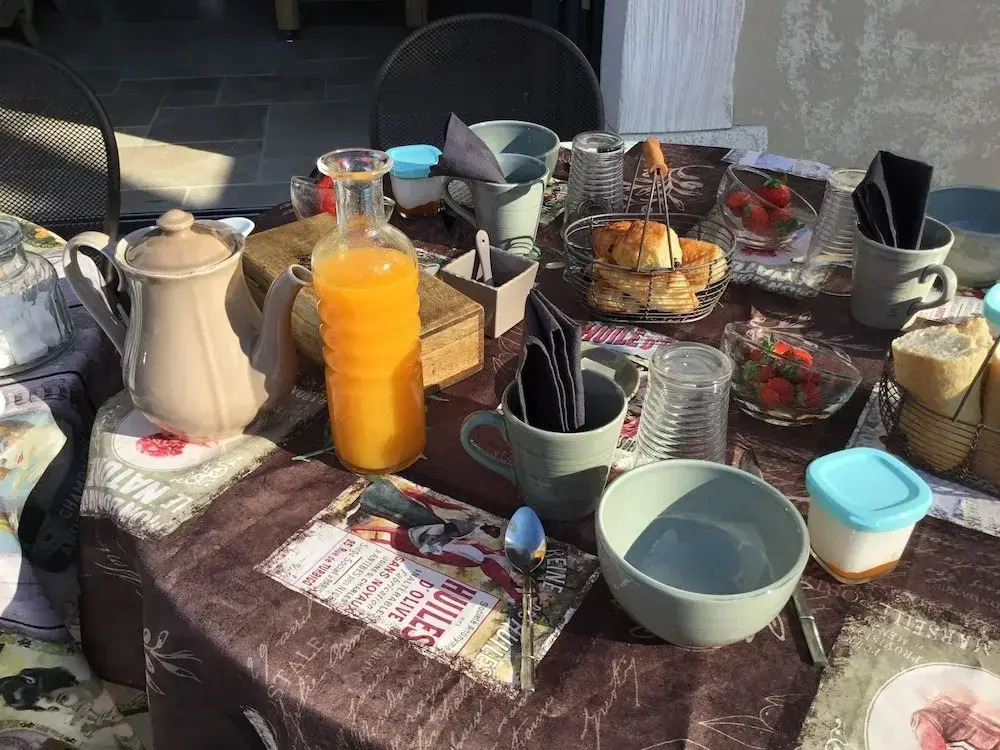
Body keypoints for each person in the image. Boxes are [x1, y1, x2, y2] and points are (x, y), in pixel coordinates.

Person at [345, 480, 520, 602]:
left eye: (520, 581)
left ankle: (374, 498)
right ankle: (376, 497)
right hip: (452, 541)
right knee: (418, 517)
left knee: (418, 519)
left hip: (451, 547)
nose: (520, 577)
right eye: (522, 578)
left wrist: (519, 595)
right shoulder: (508, 563)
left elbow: (490, 566)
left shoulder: (500, 572)